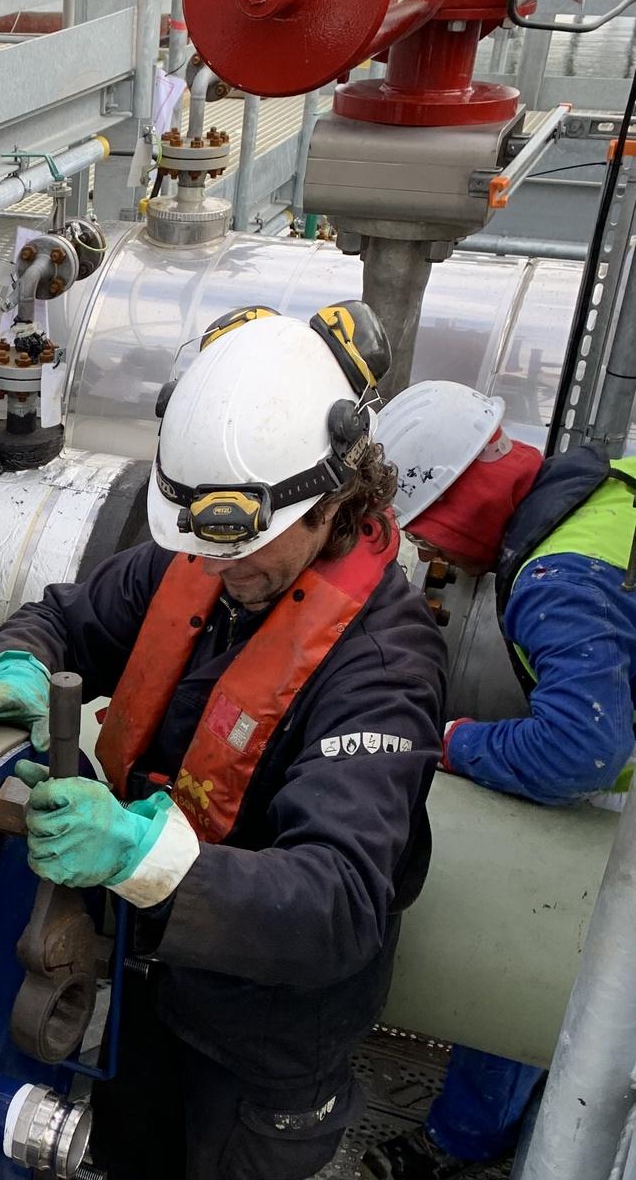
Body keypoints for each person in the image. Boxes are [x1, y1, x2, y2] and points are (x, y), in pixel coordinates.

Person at [0, 305, 448, 1180]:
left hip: (262, 1047)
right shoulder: (208, 561)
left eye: (244, 551)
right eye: (203, 551)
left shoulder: (383, 668)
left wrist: (141, 855)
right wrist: (20, 665)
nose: (216, 570)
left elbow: (338, 904)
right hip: (150, 987)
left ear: (332, 500)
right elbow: (66, 619)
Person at [361, 379, 636, 1180]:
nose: (436, 559)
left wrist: (457, 743)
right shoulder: (602, 490)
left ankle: (469, 1143)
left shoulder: (558, 579)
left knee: (540, 940)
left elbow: (577, 751)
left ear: (462, 500)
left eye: (429, 537)